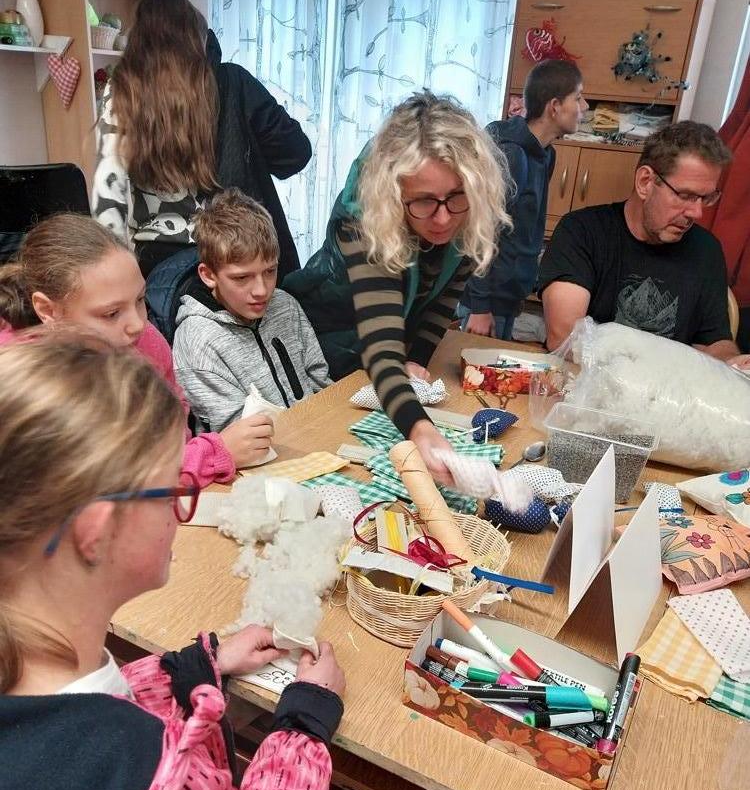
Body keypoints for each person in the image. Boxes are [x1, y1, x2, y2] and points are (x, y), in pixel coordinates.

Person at [0, 331, 345, 790]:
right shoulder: (141, 784)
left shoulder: (36, 666)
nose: (182, 511)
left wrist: (188, 672)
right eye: (173, 490)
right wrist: (303, 724)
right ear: (96, 532)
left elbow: (74, 716)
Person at [284, 91, 511, 484]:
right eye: (423, 202)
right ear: (394, 195)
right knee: (331, 451)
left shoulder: (469, 210)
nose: (443, 219)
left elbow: (441, 304)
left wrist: (416, 365)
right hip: (331, 346)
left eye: (455, 197)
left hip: (384, 364)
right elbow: (382, 345)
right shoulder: (362, 218)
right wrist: (419, 428)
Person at [0, 214, 275, 481]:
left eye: (140, 299)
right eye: (111, 314)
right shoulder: (18, 385)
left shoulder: (146, 342)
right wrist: (213, 454)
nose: (137, 324)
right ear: (48, 310)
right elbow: (100, 484)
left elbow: (173, 435)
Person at [92, 0, 311, 279]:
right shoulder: (232, 82)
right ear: (200, 39)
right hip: (233, 251)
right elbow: (295, 154)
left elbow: (108, 196)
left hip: (158, 265)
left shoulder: (121, 91)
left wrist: (120, 276)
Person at [539, 120, 750, 369]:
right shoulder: (582, 231)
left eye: (706, 198)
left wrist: (731, 362)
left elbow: (714, 342)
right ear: (645, 182)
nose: (697, 212)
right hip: (586, 383)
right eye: (685, 195)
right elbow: (565, 337)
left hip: (667, 390)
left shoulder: (707, 250)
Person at [172, 188, 330, 433]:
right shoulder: (197, 340)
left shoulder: (285, 304)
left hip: (317, 434)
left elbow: (320, 382)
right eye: (242, 278)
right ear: (209, 275)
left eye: (270, 271)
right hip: (258, 453)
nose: (262, 290)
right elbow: (235, 434)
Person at [461, 59, 587, 338]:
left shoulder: (546, 154)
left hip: (509, 296)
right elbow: (481, 231)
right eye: (578, 98)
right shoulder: (511, 155)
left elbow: (524, 228)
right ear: (555, 106)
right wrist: (480, 306)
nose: (585, 107)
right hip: (486, 302)